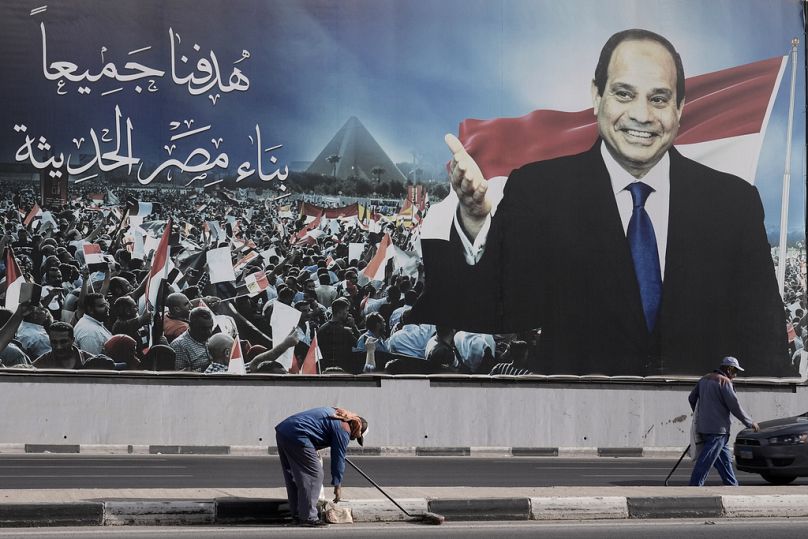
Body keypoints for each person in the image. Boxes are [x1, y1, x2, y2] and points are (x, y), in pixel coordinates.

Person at [413, 28, 790, 377]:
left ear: (679, 108)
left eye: (658, 98)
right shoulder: (540, 189)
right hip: (577, 434)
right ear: (597, 95)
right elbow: (494, 310)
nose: (642, 115)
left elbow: (767, 347)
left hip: (696, 433)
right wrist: (476, 220)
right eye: (624, 94)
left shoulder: (733, 203)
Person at [275, 407, 368, 527]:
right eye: (357, 437)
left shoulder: (338, 414)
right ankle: (308, 517)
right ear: (357, 428)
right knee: (314, 475)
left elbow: (316, 428)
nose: (354, 438)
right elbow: (338, 460)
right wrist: (337, 485)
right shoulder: (344, 429)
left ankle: (298, 515)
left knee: (294, 476)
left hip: (284, 431)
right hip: (298, 434)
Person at [688, 356, 759, 486]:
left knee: (725, 462)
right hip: (718, 430)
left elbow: (692, 398)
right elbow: (735, 406)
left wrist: (701, 415)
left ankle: (732, 486)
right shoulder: (724, 382)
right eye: (735, 371)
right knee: (706, 461)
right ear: (729, 369)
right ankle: (694, 486)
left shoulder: (704, 379)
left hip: (705, 428)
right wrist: (750, 422)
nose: (736, 375)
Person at [170, 307, 215, 372]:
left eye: (211, 327)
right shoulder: (179, 346)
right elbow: (179, 377)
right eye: (203, 329)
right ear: (191, 325)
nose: (209, 332)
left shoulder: (207, 337)